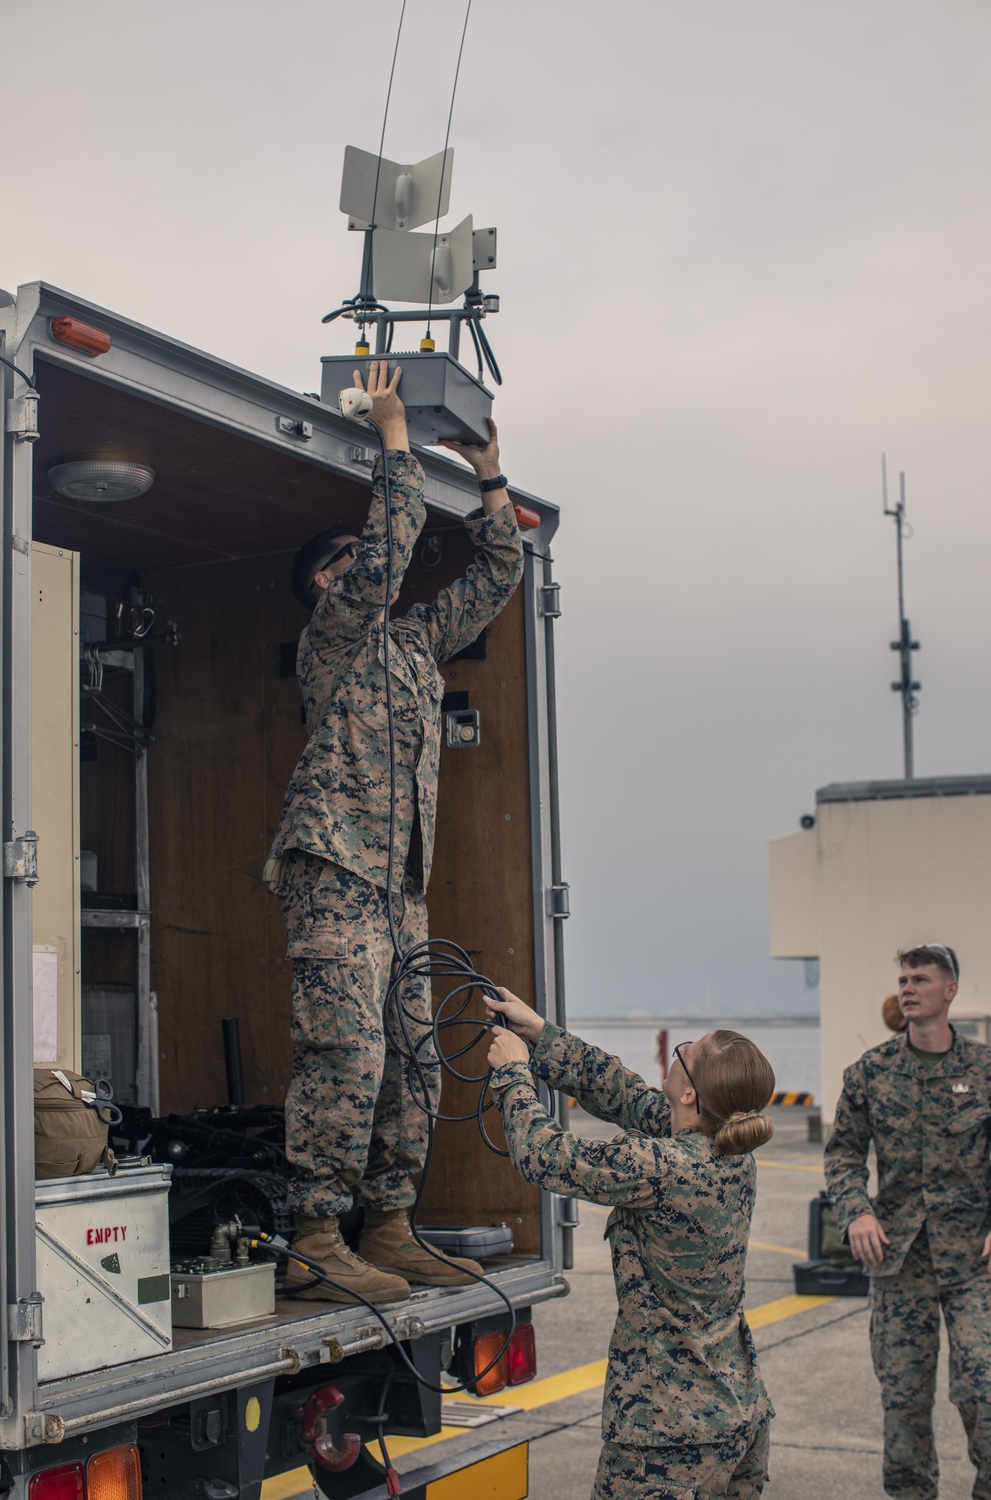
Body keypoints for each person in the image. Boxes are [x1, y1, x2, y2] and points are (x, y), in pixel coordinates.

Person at [266, 360, 524, 1303]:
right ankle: (316, 1236)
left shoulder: (414, 649)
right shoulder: (331, 637)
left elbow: (498, 571)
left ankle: (388, 1223)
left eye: (352, 552)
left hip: (395, 886)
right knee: (345, 1053)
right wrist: (394, 441)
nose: (356, 564)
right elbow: (386, 555)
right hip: (332, 865)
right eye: (336, 559)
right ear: (321, 589)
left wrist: (491, 476)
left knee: (413, 1059)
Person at [486, 989, 776, 1500]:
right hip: (736, 1414)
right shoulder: (732, 1154)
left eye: (685, 1051)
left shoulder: (661, 1167)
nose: (678, 1052)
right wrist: (540, 1034)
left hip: (667, 1437)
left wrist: (513, 1072)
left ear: (689, 1094)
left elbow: (542, 1154)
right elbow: (627, 1095)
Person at [824, 944, 991, 1500]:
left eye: (920, 978)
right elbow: (843, 1155)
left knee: (983, 1393)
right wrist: (857, 1213)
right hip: (898, 1261)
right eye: (902, 979)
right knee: (904, 1403)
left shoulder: (986, 1071)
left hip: (974, 1262)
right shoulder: (869, 1072)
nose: (907, 988)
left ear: (950, 991)